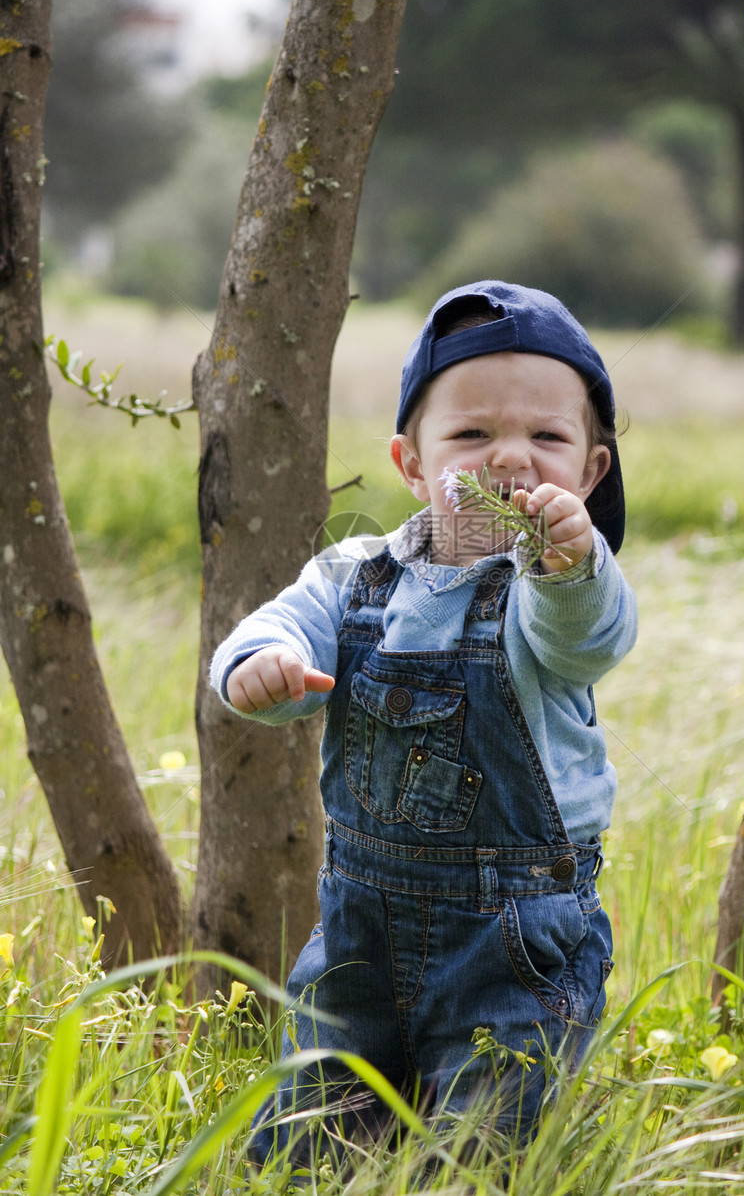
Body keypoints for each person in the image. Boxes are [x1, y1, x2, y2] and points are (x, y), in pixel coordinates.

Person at [210, 280, 637, 1167]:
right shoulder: (355, 573)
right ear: (411, 463)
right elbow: (282, 627)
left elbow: (589, 638)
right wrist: (261, 669)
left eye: (548, 438)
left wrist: (571, 560)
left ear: (591, 474)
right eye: (474, 434)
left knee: (484, 1151)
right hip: (355, 928)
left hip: (511, 941)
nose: (511, 459)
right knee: (312, 1136)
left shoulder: (549, 593)